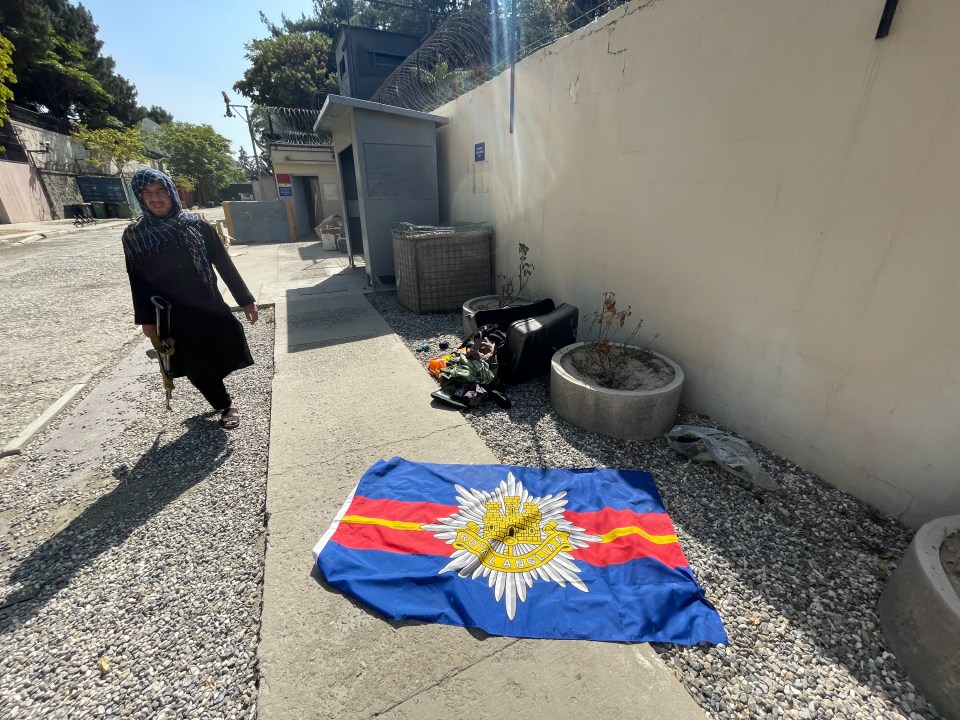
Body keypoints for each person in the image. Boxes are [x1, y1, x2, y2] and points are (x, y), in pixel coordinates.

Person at [122, 168, 258, 429]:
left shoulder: (196, 225)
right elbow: (135, 279)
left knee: (226, 348)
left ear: (172, 193)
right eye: (147, 193)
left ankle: (214, 382)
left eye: (160, 191)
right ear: (140, 198)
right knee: (194, 364)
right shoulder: (134, 236)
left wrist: (246, 300)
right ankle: (224, 403)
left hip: (208, 304)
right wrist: (145, 319)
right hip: (171, 314)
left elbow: (223, 263)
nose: (155, 198)